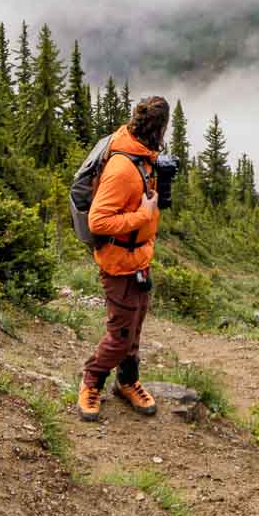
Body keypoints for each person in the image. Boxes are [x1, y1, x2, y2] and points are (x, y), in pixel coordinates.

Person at [78, 93, 168, 421]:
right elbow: (98, 221)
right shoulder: (122, 167)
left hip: (139, 259)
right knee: (120, 335)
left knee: (136, 324)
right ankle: (91, 381)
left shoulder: (142, 156)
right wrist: (143, 217)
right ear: (159, 129)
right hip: (118, 263)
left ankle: (127, 382)